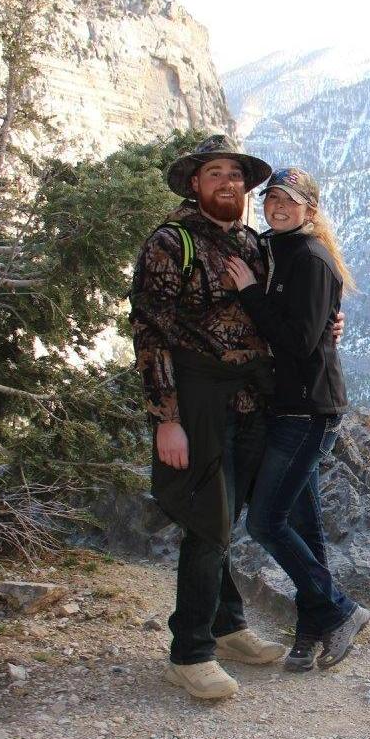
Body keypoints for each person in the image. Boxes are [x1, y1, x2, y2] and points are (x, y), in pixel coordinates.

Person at [130, 136, 342, 699]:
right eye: (215, 173)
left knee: (228, 516)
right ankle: (190, 650)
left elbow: (288, 305)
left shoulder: (252, 243)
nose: (228, 183)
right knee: (207, 520)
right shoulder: (169, 244)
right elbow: (149, 333)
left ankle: (227, 628)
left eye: (235, 175)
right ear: (196, 184)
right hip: (197, 400)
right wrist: (165, 417)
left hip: (252, 400)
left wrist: (328, 324)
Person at [226, 167, 370, 672]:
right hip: (287, 405)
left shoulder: (309, 256)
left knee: (266, 521)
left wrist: (249, 294)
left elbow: (300, 340)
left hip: (308, 410)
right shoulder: (275, 248)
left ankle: (340, 609)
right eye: (271, 199)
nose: (277, 207)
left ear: (310, 208)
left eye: (288, 200)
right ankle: (312, 631)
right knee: (304, 525)